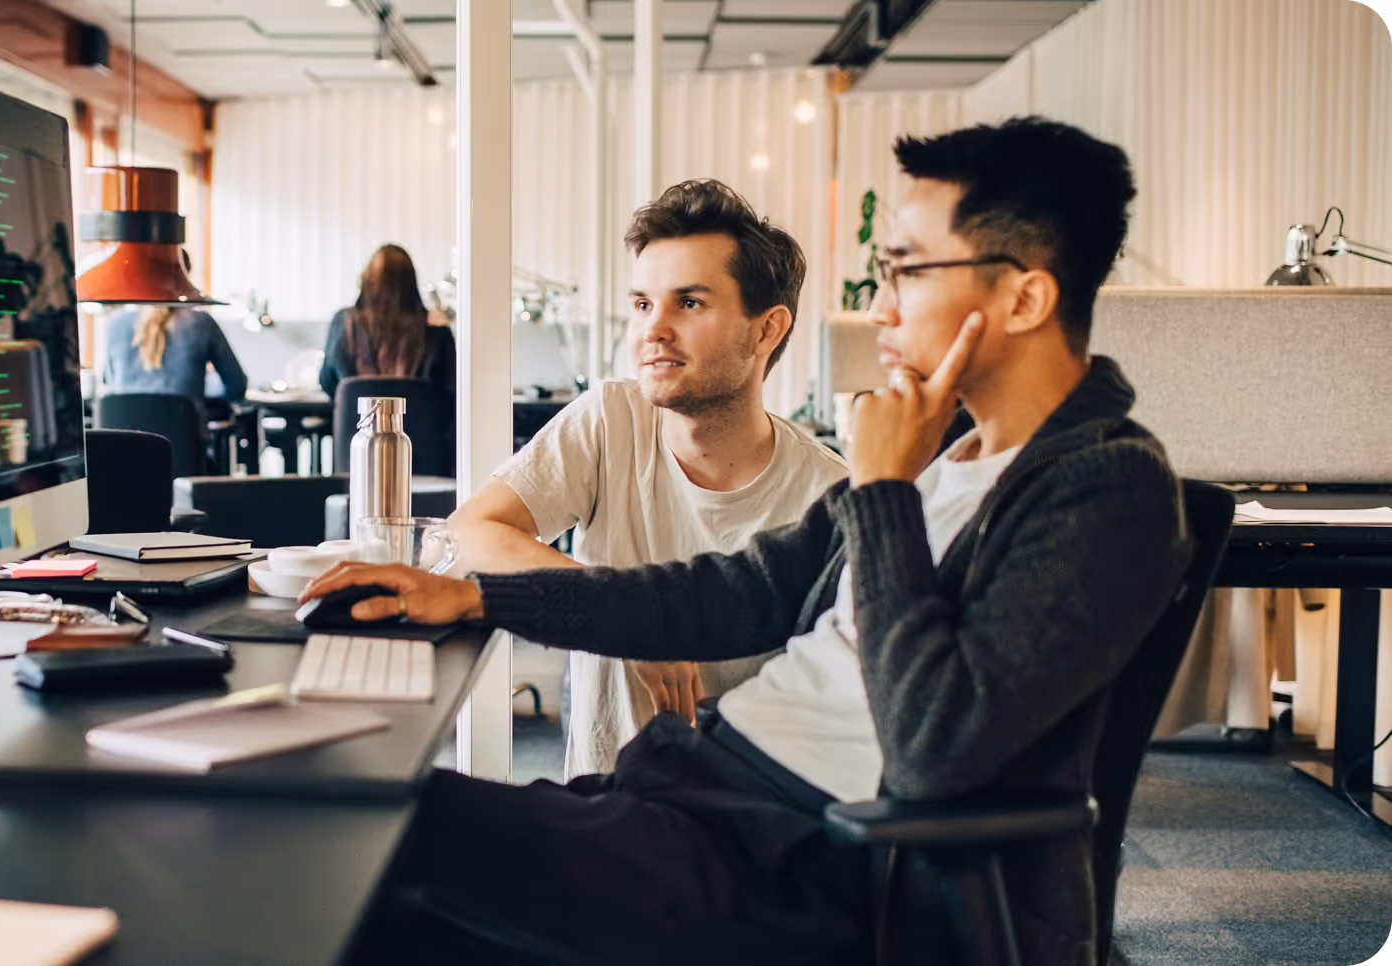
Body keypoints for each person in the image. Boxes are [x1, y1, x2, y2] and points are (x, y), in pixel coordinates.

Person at [304, 116, 1194, 966]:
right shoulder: (951, 456)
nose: (879, 307)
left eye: (908, 271)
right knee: (347, 820)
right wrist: (478, 594)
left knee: (359, 854)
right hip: (702, 792)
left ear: (1025, 295)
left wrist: (881, 489)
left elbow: (935, 744)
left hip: (797, 860)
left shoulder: (1108, 486)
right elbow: (724, 592)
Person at [448, 179, 848, 778]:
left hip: (742, 828)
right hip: (599, 808)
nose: (652, 330)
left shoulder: (829, 494)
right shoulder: (610, 419)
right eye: (641, 304)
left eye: (689, 303)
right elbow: (473, 531)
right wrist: (629, 622)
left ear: (766, 329)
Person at [319, 244, 455, 400]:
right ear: (410, 284)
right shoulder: (436, 331)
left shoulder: (343, 323)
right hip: (418, 423)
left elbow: (327, 382)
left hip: (354, 423)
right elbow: (449, 389)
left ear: (366, 282)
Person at [103, 305, 248, 404]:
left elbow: (112, 383)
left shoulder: (114, 323)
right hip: (183, 440)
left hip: (125, 442)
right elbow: (236, 386)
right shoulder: (201, 322)